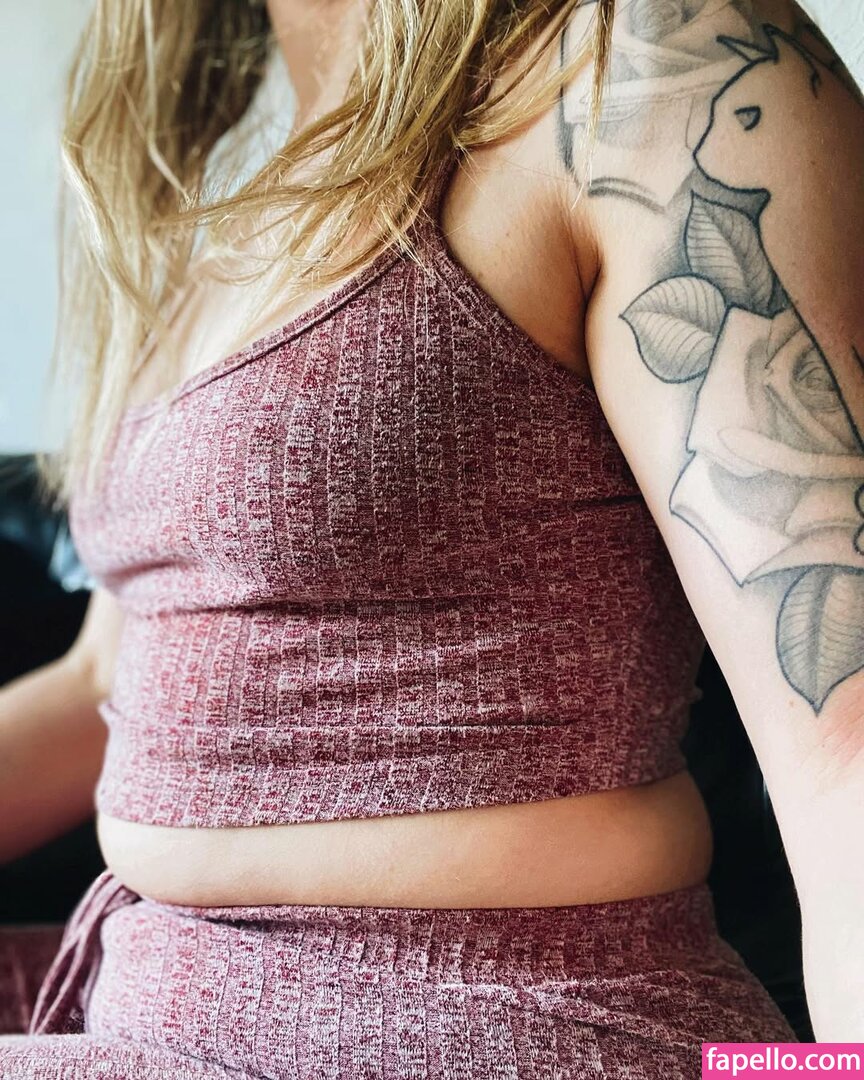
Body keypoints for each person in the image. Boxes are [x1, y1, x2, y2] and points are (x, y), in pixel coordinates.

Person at [1, 0, 862, 1074]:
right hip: (134, 993)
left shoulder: (646, 63)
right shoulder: (231, 204)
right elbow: (109, 678)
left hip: (487, 1024)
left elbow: (845, 751)